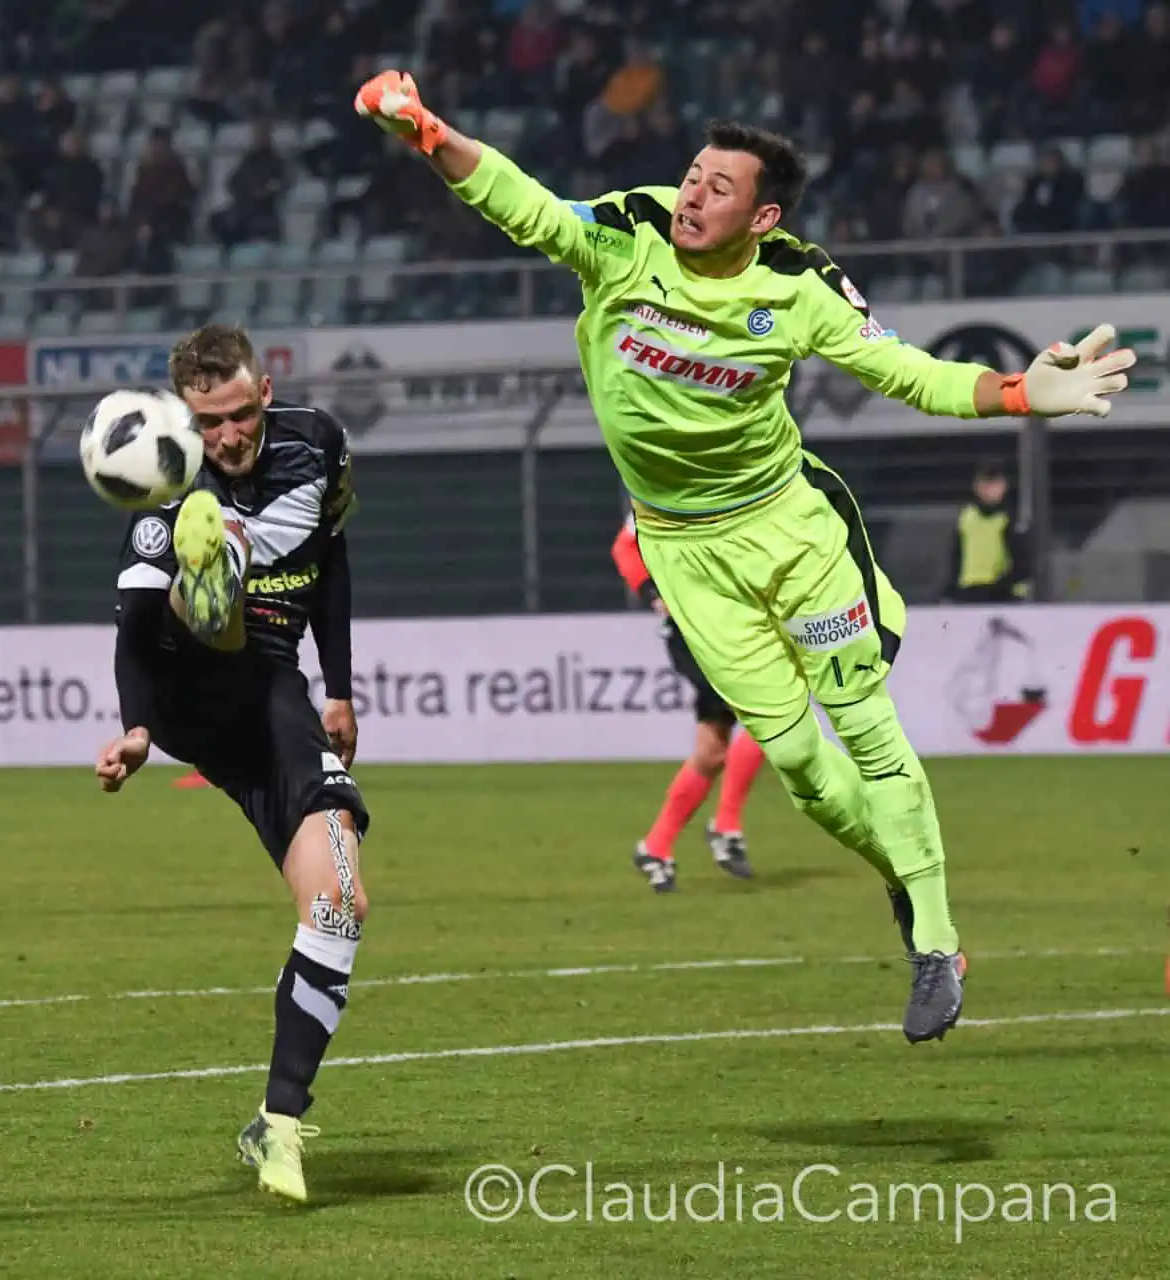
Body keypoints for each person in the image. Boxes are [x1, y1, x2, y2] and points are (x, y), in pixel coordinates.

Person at [354, 70, 1135, 1043]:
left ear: (762, 214)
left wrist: (1021, 395)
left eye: (718, 188)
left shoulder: (799, 283)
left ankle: (936, 939)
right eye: (691, 175)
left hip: (790, 533)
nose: (690, 194)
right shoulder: (627, 233)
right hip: (685, 554)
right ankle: (901, 871)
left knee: (866, 726)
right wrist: (429, 132)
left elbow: (912, 373)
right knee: (803, 770)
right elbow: (526, 206)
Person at [94, 325, 365, 1202]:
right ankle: (208, 583)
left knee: (339, 902)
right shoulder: (162, 485)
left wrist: (341, 685)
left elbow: (333, 559)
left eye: (241, 415)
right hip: (184, 690)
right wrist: (136, 732)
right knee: (187, 583)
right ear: (185, 419)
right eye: (209, 424)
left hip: (271, 692)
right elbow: (132, 642)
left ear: (266, 391)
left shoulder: (317, 443)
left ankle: (277, 1124)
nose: (229, 437)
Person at [612, 510, 763, 890]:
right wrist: (651, 592)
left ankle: (655, 847)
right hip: (692, 632)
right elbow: (626, 546)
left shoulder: (738, 490)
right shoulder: (669, 492)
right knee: (769, 714)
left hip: (731, 626)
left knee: (712, 751)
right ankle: (726, 827)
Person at [945, 459, 1031, 603]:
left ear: (1004, 486)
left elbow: (1023, 565)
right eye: (985, 483)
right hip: (969, 595)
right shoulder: (966, 518)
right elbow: (956, 559)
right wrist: (950, 591)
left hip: (1005, 597)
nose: (989, 489)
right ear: (976, 486)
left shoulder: (1011, 519)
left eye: (995, 483)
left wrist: (999, 587)